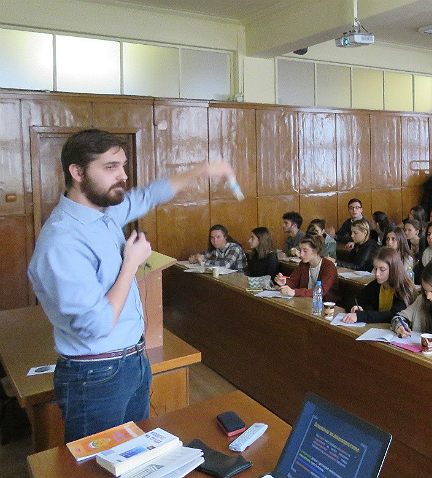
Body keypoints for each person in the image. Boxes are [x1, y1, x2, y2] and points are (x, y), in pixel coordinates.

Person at [28, 128, 234, 442]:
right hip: (96, 374)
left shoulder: (105, 213)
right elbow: (96, 325)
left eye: (122, 166)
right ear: (78, 173)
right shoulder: (62, 240)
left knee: (134, 454)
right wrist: (131, 263)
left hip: (132, 361)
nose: (123, 176)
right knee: (97, 463)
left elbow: (149, 195)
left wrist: (200, 170)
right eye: (110, 167)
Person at [341, 248, 416, 324]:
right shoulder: (375, 285)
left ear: (393, 269)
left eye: (382, 270)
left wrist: (361, 316)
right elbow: (354, 300)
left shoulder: (403, 288)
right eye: (375, 269)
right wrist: (354, 308)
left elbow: (393, 315)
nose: (377, 273)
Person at [274, 235, 341, 302]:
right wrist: (285, 282)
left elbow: (321, 291)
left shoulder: (329, 267)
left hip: (326, 304)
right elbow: (294, 281)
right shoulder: (303, 264)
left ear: (316, 251)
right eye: (300, 250)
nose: (301, 254)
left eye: (305, 251)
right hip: (307, 301)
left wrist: (294, 292)